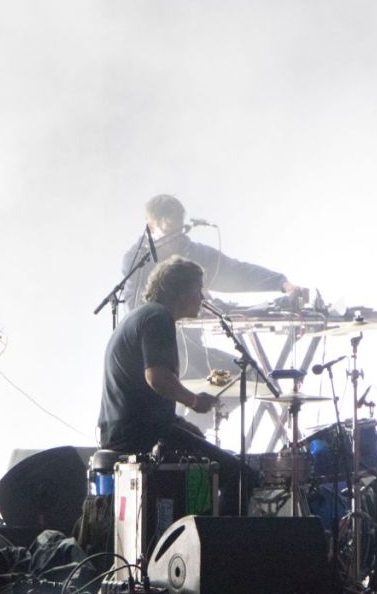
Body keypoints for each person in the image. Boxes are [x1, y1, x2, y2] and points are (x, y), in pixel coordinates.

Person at [98, 255, 253, 514]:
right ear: (180, 292)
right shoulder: (159, 317)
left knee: (205, 454)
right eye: (198, 290)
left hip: (125, 428)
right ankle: (221, 538)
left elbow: (143, 393)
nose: (202, 297)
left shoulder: (142, 315)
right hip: (140, 435)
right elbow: (156, 378)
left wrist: (178, 423)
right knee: (240, 476)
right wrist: (194, 401)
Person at [120, 194, 302, 379]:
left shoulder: (193, 253)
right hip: (155, 354)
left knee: (249, 374)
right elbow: (135, 310)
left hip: (193, 350)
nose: (176, 239)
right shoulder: (136, 262)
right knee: (200, 380)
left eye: (179, 231)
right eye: (169, 232)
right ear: (151, 226)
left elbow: (236, 271)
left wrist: (281, 283)